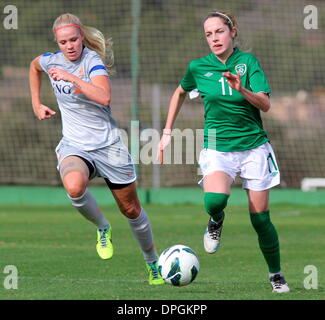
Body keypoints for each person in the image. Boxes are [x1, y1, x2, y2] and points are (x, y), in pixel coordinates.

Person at [158, 11, 290, 293]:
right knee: (215, 200)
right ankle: (216, 221)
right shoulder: (198, 67)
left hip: (254, 147)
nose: (214, 38)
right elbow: (179, 92)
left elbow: (265, 105)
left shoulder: (248, 62)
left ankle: (276, 274)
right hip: (218, 147)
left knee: (261, 220)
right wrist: (167, 131)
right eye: (208, 34)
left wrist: (242, 89)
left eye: (219, 31)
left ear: (232, 32)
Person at [29, 13, 164, 285]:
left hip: (110, 146)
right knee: (74, 187)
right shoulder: (50, 60)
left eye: (74, 40)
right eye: (63, 41)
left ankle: (152, 263)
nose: (69, 46)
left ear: (82, 38)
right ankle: (103, 227)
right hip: (75, 145)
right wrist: (36, 102)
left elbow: (104, 97)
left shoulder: (92, 61)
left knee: (131, 210)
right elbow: (33, 67)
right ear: (57, 41)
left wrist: (72, 78)